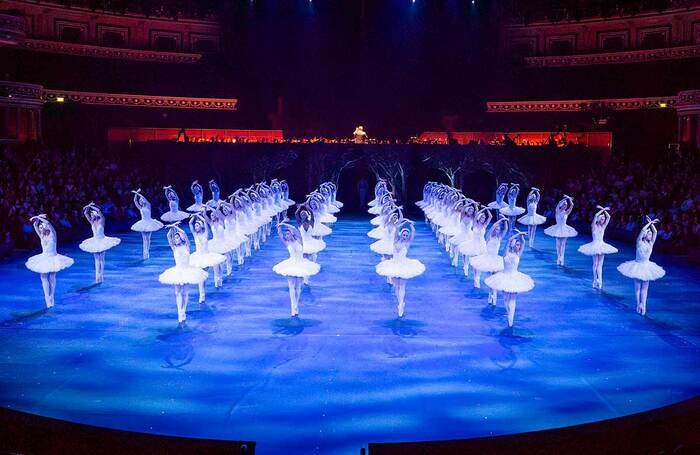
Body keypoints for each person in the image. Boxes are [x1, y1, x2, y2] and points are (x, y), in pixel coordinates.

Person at [158, 223, 208, 325]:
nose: (176, 239)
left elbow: (184, 233)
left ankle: (183, 310)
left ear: (181, 238)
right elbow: (168, 236)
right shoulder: (174, 247)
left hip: (187, 271)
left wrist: (176, 227)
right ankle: (179, 313)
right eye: (175, 238)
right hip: (177, 271)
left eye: (177, 237)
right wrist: (171, 227)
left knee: (185, 292)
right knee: (177, 293)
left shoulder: (187, 246)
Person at [484, 230, 534, 329]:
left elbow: (523, 243)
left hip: (515, 277)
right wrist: (517, 235)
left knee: (513, 298)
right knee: (506, 299)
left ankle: (511, 320)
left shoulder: (518, 254)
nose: (518, 246)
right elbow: (508, 241)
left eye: (519, 245)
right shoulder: (506, 253)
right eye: (517, 244)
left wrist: (521, 236)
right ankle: (509, 314)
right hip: (504, 276)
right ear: (513, 244)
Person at [375, 220, 425, 318]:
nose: (405, 236)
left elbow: (413, 233)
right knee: (396, 286)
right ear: (401, 234)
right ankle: (400, 302)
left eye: (407, 235)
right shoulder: (395, 240)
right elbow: (397, 227)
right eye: (404, 234)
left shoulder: (407, 243)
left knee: (402, 286)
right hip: (393, 264)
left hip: (403, 266)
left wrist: (411, 225)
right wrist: (404, 221)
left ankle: (401, 305)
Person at [617, 217, 666, 315]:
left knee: (645, 288)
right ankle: (638, 304)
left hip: (647, 266)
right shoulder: (639, 242)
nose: (651, 235)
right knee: (638, 287)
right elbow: (643, 230)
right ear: (645, 235)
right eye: (649, 234)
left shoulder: (651, 243)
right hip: (637, 266)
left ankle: (643, 305)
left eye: (651, 234)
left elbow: (655, 232)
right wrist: (648, 224)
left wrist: (652, 223)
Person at [25, 214, 74, 308]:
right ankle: (47, 297)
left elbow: (47, 223)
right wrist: (36, 217)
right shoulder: (41, 236)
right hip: (44, 258)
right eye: (40, 227)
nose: (41, 228)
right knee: (43, 277)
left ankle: (52, 295)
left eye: (43, 226)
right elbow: (35, 225)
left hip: (53, 258)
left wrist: (39, 218)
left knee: (52, 276)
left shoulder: (53, 234)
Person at [273, 222, 321, 317]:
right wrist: (279, 226)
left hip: (301, 264)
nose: (286, 235)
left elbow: (295, 229)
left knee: (298, 286)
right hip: (291, 264)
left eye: (288, 233)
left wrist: (286, 224)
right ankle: (293, 306)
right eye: (286, 234)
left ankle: (296, 305)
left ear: (292, 233)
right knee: (291, 286)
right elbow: (280, 235)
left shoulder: (299, 240)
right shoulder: (287, 243)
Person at [470, 215, 509, 304]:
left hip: (495, 259)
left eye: (498, 229)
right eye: (496, 229)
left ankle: (493, 296)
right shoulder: (489, 236)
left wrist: (505, 220)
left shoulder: (499, 237)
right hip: (487, 258)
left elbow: (506, 229)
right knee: (489, 278)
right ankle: (490, 294)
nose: (497, 230)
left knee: (494, 278)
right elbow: (492, 228)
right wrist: (499, 221)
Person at [79, 202, 121, 284]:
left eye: (92, 214)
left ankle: (101, 274)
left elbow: (99, 212)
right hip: (94, 240)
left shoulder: (102, 220)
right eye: (91, 215)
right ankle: (97, 276)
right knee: (96, 258)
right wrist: (88, 206)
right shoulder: (91, 221)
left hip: (102, 240)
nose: (91, 216)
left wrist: (93, 206)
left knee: (101, 258)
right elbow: (85, 212)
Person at [188, 212, 226, 302]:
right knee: (201, 276)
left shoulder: (205, 233)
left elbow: (205, 221)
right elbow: (190, 223)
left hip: (207, 256)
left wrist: (199, 217)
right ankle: (202, 295)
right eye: (196, 226)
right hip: (198, 257)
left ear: (201, 227)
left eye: (197, 226)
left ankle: (218, 279)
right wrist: (195, 216)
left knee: (214, 268)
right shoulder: (195, 235)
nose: (196, 227)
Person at [578, 206, 618, 289]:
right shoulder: (594, 226)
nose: (603, 220)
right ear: (599, 219)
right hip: (595, 245)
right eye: (602, 218)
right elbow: (596, 216)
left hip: (602, 245)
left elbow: (609, 217)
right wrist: (602, 209)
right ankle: (594, 280)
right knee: (595, 264)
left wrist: (605, 211)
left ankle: (600, 280)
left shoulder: (603, 227)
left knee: (600, 264)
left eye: (603, 219)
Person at [295, 204, 326, 285]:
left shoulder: (311, 222)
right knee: (304, 259)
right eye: (301, 214)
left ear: (307, 214)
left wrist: (306, 206)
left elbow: (312, 213)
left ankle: (308, 274)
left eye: (304, 213)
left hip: (310, 243)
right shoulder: (299, 223)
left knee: (311, 259)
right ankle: (305, 277)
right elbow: (296, 214)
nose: (302, 215)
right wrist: (300, 208)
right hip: (303, 243)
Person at [458, 206, 492, 277]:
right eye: (482, 217)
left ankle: (476, 276)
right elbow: (476, 215)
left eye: (484, 218)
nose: (483, 219)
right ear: (479, 218)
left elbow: (490, 217)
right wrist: (483, 209)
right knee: (468, 255)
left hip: (482, 244)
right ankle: (466, 267)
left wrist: (487, 209)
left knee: (479, 260)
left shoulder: (484, 225)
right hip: (474, 243)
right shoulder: (475, 224)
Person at [544, 195, 577, 266]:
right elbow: (559, 203)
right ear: (562, 205)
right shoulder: (557, 211)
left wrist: (569, 199)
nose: (565, 206)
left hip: (565, 229)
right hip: (558, 228)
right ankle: (558, 257)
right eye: (564, 204)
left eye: (566, 205)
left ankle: (562, 258)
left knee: (563, 244)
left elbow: (572, 205)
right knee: (558, 244)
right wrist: (565, 198)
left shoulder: (567, 212)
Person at [130, 189, 163, 260]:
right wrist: (136, 194)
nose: (141, 201)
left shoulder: (148, 205)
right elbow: (135, 201)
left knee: (148, 238)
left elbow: (145, 199)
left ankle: (147, 252)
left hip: (149, 222)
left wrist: (138, 193)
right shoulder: (140, 208)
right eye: (140, 200)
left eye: (142, 200)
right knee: (144, 239)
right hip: (143, 223)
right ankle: (144, 252)